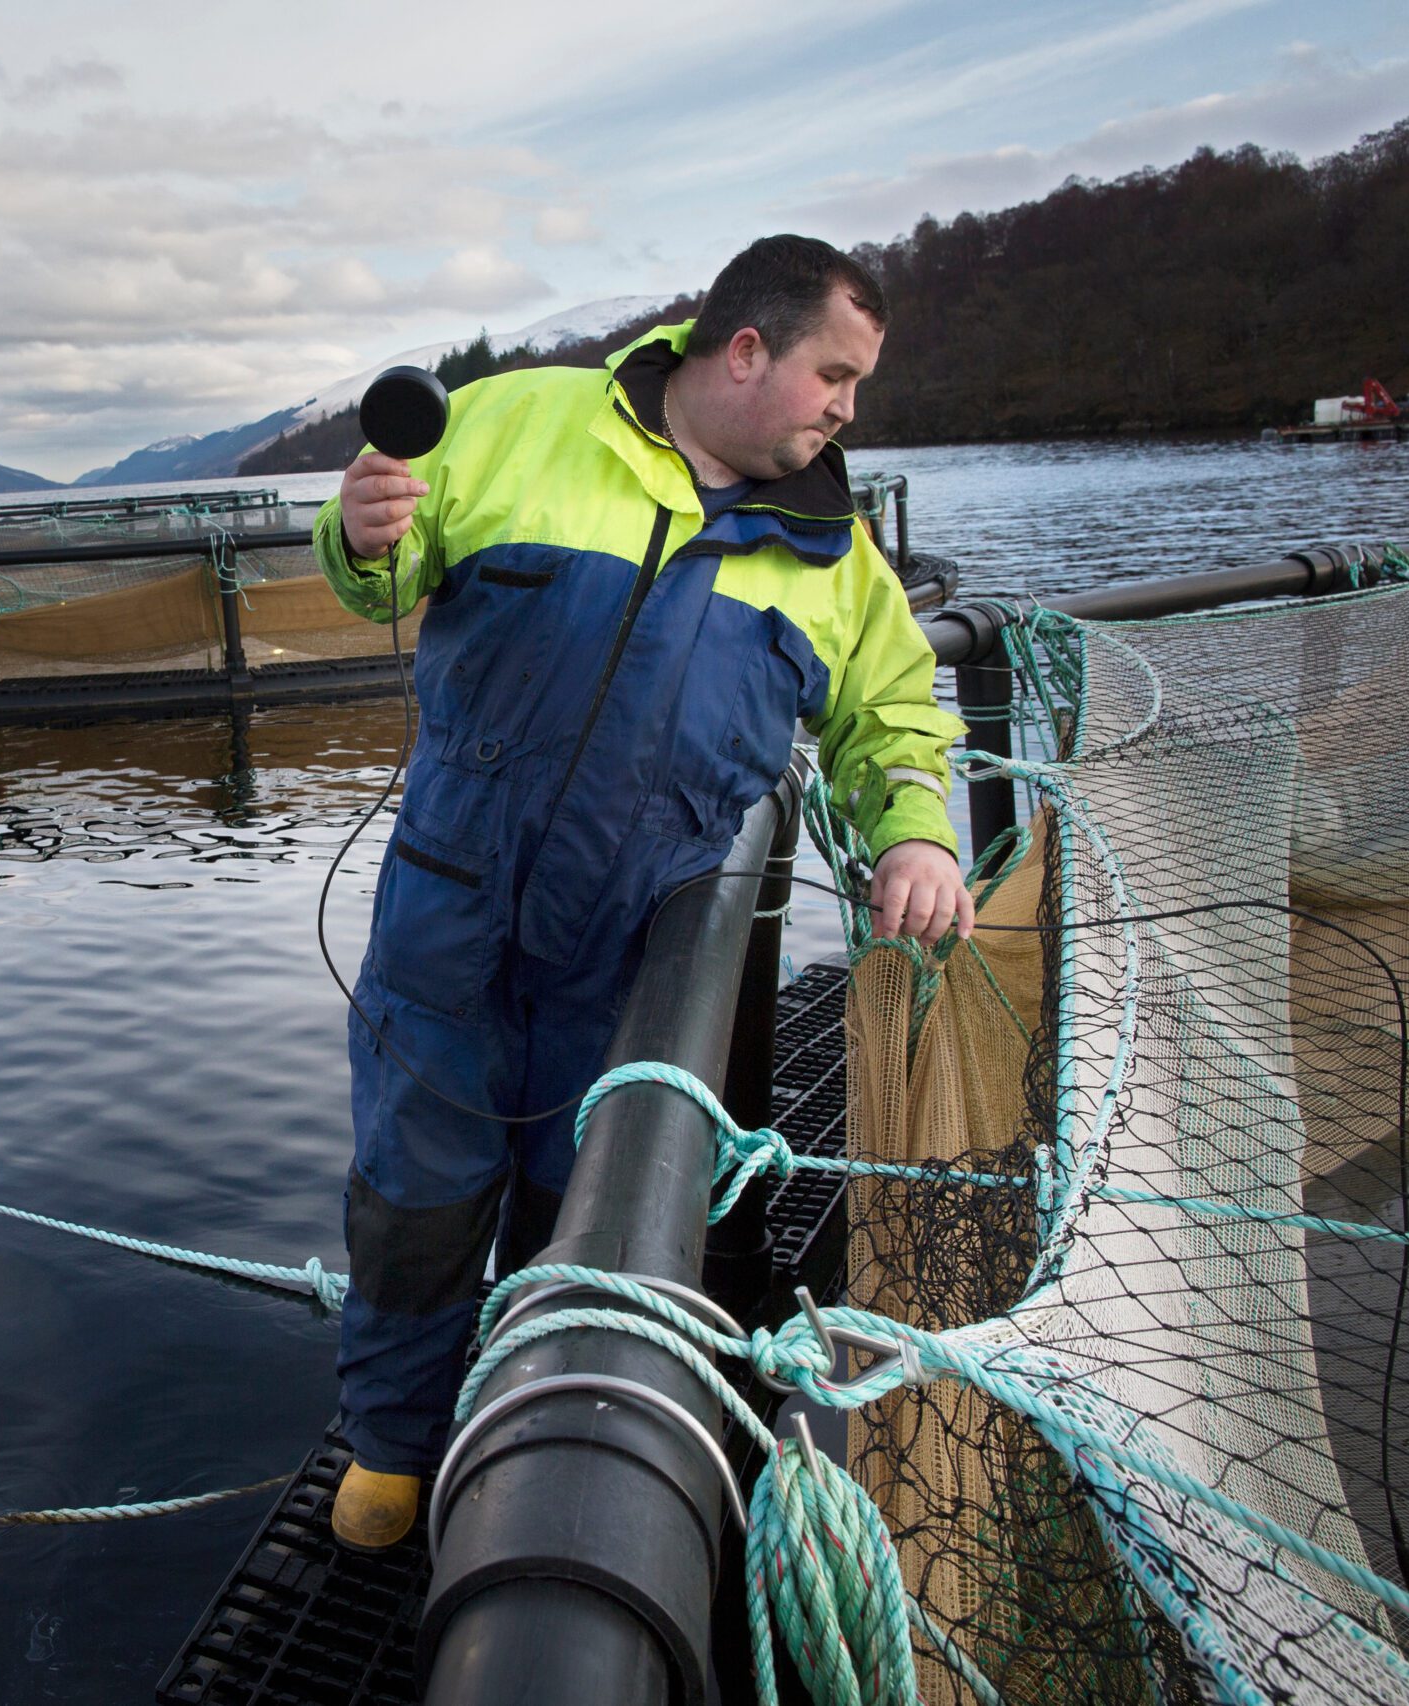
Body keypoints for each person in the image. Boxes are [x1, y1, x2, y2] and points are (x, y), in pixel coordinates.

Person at [310, 235, 972, 1550]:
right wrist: (356, 528)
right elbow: (381, 563)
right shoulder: (515, 420)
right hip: (448, 912)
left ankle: (534, 1462)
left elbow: (894, 715)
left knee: (590, 1216)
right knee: (413, 1200)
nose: (848, 407)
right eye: (834, 374)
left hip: (635, 956)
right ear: (746, 352)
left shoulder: (829, 552)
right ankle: (393, 1448)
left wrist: (919, 837)